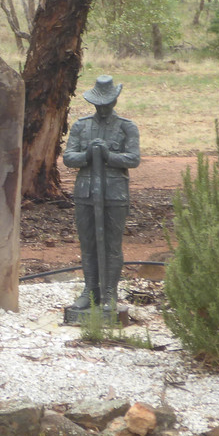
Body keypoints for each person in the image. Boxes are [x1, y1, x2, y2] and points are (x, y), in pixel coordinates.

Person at [62, 75, 140, 311]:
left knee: (112, 245)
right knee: (88, 244)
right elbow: (68, 157)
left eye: (107, 103)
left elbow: (133, 158)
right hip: (85, 191)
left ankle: (110, 292)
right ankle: (90, 290)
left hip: (114, 192)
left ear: (115, 101)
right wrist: (87, 155)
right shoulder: (81, 125)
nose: (103, 108)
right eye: (99, 104)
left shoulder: (127, 127)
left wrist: (109, 156)